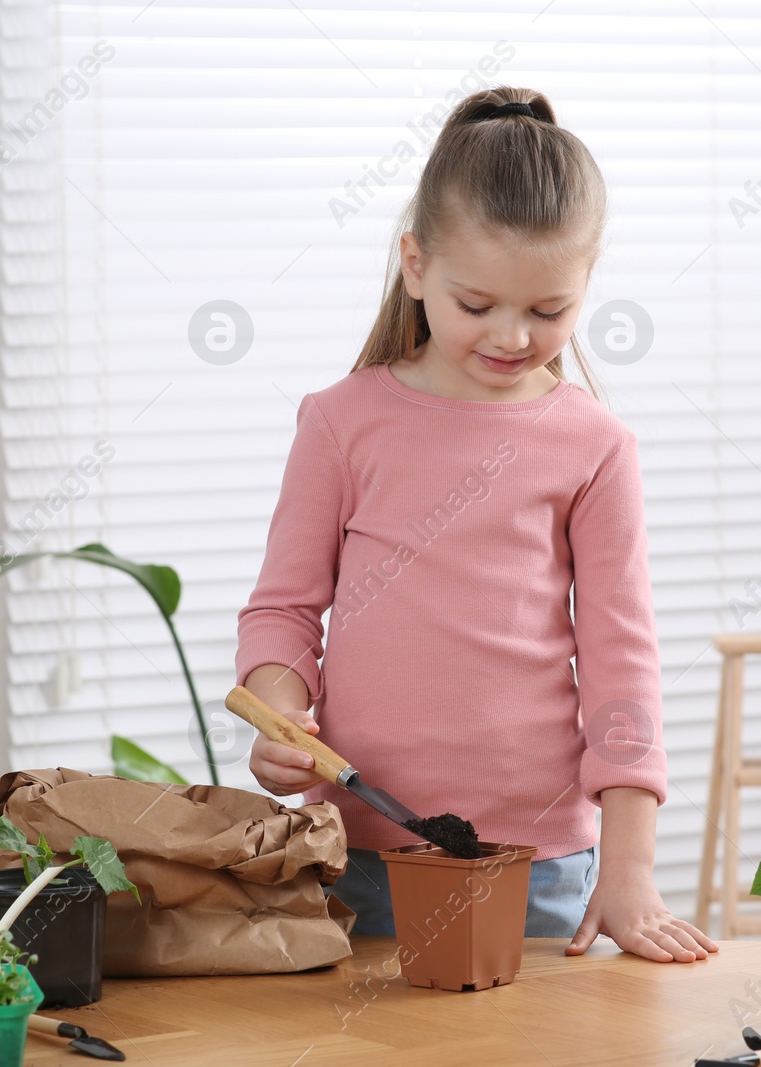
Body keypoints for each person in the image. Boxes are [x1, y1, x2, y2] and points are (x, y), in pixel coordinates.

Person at [235, 87, 717, 964]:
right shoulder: (341, 423)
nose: (511, 336)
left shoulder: (596, 445)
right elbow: (284, 612)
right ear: (415, 265)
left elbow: (621, 663)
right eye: (477, 303)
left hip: (542, 864)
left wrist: (630, 867)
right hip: (362, 852)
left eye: (547, 311)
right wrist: (280, 716)